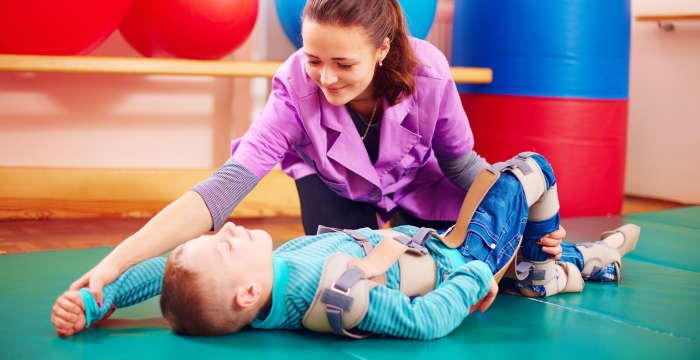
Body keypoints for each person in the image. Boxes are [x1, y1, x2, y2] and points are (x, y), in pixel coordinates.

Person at [63, 0, 568, 325]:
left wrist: (524, 223)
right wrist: (114, 266)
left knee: (462, 256)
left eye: (343, 64)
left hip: (423, 188)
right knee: (358, 271)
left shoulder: (429, 71)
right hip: (335, 189)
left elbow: (463, 166)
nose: (325, 78)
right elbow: (223, 190)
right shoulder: (292, 89)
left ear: (383, 49)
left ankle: (572, 256)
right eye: (313, 60)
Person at [51, 151, 641, 339]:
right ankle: (540, 267)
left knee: (542, 243)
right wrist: (474, 280)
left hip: (426, 239)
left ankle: (567, 265)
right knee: (532, 168)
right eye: (224, 246)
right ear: (246, 293)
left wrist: (100, 295)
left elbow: (173, 275)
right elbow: (425, 322)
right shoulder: (330, 292)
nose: (226, 229)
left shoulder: (263, 284)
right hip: (464, 253)